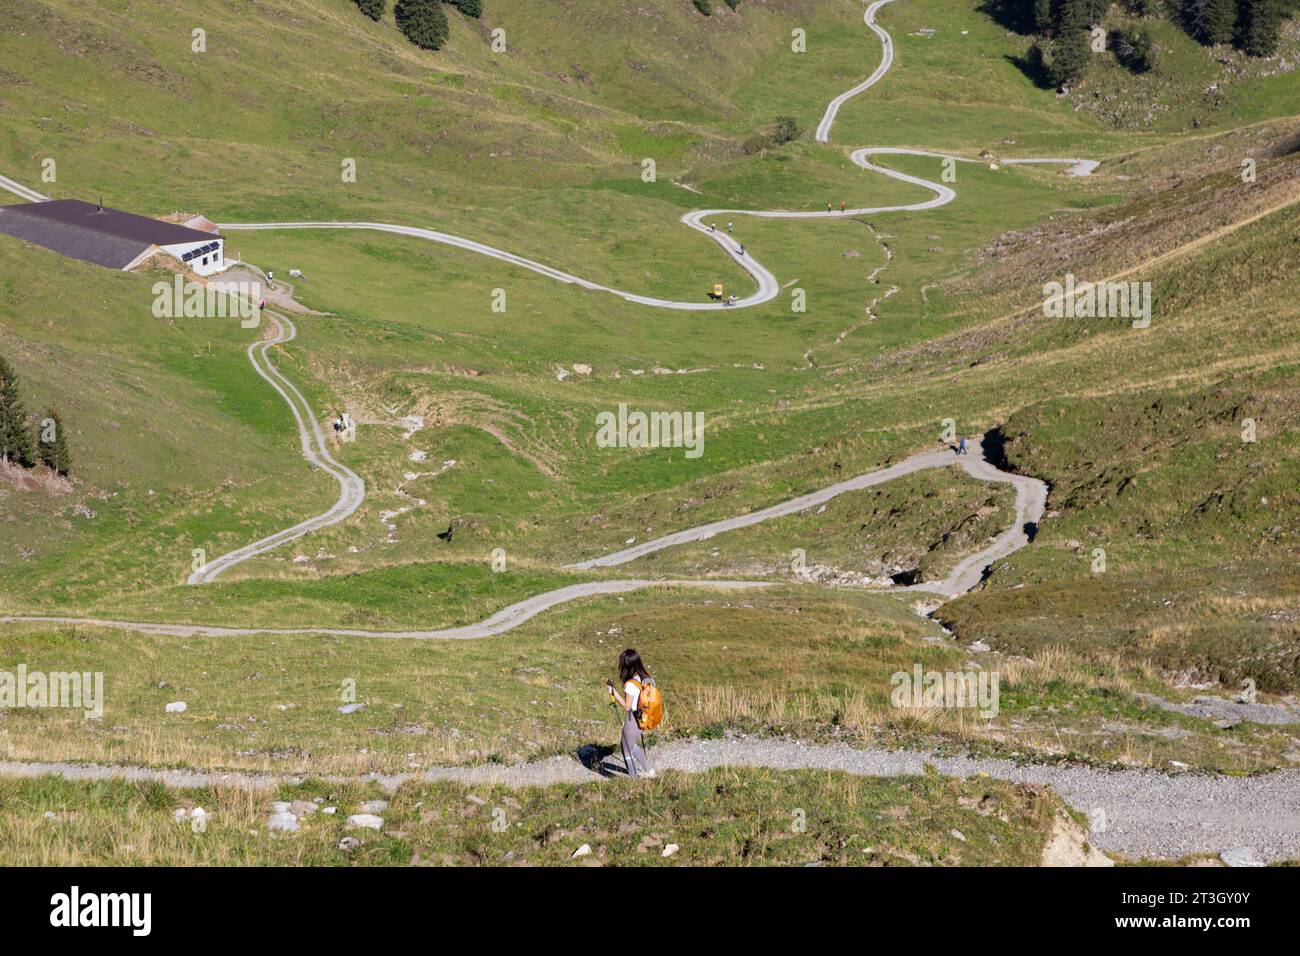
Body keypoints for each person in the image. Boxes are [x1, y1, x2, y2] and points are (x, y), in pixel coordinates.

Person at [606, 648, 656, 779]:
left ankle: (634, 780)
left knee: (626, 748)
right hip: (645, 716)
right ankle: (649, 770)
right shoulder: (645, 676)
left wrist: (614, 693)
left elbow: (627, 707)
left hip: (633, 719)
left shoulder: (630, 685)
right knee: (631, 745)